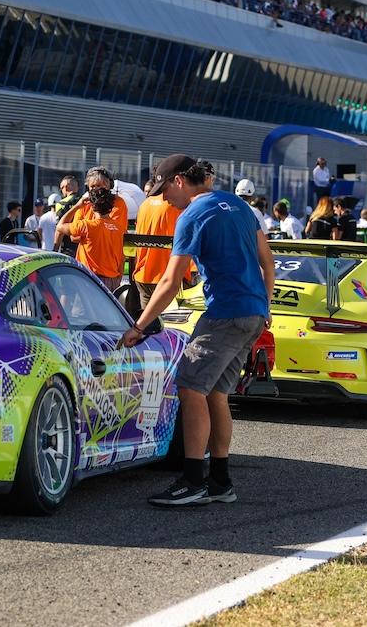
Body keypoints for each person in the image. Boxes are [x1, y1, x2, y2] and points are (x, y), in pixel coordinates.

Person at [120, 154, 272, 507]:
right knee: (216, 394)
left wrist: (139, 325)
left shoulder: (192, 215)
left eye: (162, 190)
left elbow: (171, 280)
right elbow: (268, 260)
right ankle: (220, 481)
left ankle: (193, 481)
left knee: (189, 387)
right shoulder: (237, 204)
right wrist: (264, 306)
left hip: (225, 313)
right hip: (251, 312)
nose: (162, 199)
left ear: (178, 181)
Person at [56, 167, 127, 289]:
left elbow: (110, 235)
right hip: (87, 271)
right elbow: (74, 237)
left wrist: (87, 231)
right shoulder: (85, 203)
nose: (96, 190)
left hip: (107, 270)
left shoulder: (118, 203)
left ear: (109, 186)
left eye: (99, 185)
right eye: (92, 186)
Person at [133, 182, 183, 308]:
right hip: (167, 275)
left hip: (143, 274)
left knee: (147, 323)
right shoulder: (174, 204)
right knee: (169, 324)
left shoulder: (144, 204)